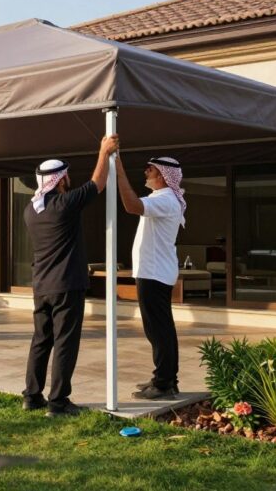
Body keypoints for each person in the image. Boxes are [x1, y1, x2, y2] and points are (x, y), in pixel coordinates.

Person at [22, 135, 119, 417]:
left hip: (41, 286)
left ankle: (32, 395)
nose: (69, 181)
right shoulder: (63, 205)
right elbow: (97, 184)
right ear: (59, 179)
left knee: (41, 340)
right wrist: (103, 152)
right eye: (66, 177)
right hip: (67, 285)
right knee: (65, 341)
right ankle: (58, 401)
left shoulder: (31, 209)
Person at [115, 156, 186, 400]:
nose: (146, 172)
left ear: (163, 175)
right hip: (154, 272)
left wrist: (119, 169)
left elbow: (131, 205)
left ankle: (164, 383)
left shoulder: (166, 199)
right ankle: (164, 378)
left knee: (159, 330)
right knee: (158, 329)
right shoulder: (161, 198)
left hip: (155, 273)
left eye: (151, 169)